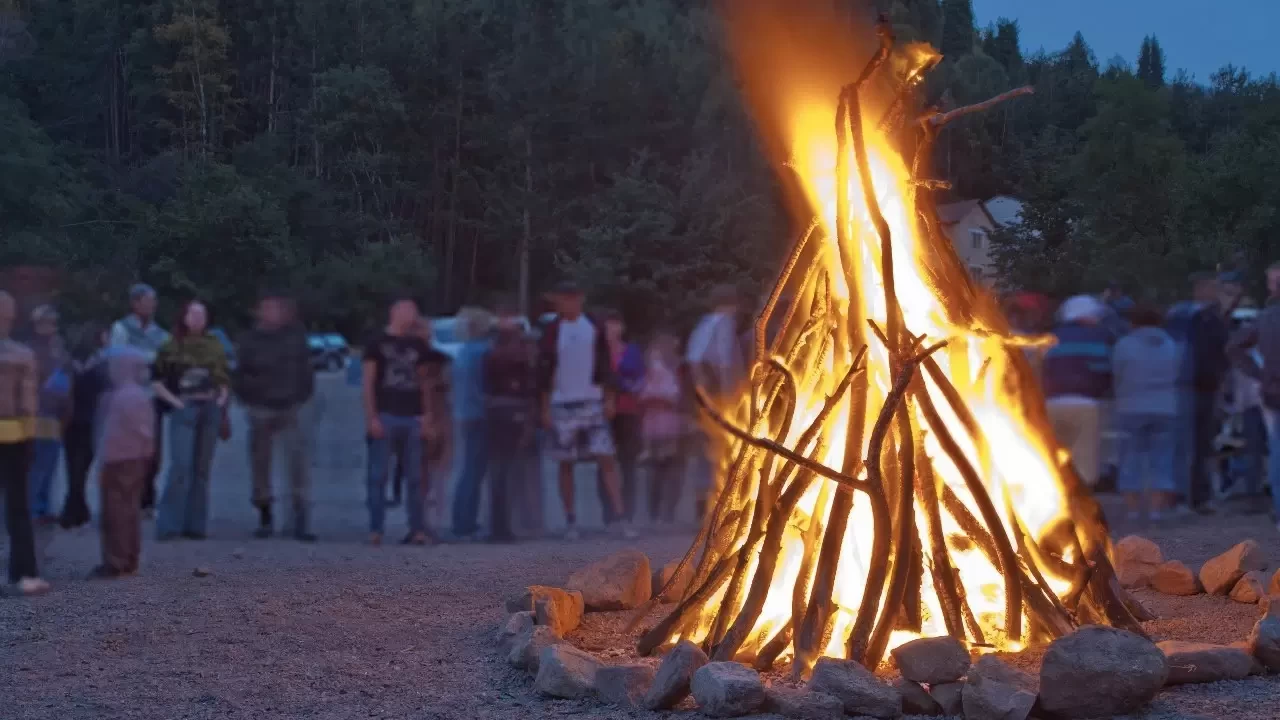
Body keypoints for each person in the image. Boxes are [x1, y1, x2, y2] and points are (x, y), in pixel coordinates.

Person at [537, 282, 633, 540]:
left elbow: (605, 365)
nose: (566, 304)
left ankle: (620, 518)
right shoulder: (552, 331)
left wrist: (609, 399)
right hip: (562, 402)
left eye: (571, 299)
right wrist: (544, 408)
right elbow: (543, 371)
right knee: (566, 462)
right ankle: (571, 521)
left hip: (592, 400)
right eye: (562, 299)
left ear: (580, 299)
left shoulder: (593, 327)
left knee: (606, 459)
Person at [363, 297, 446, 546]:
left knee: (414, 476)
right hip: (386, 414)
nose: (412, 314)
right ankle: (376, 528)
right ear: (394, 311)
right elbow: (368, 383)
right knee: (378, 474)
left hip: (413, 417)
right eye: (408, 309)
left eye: (415, 310)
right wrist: (372, 417)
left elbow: (425, 383)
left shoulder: (418, 345)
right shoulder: (376, 343)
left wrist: (428, 416)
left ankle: (417, 528)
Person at [234, 292, 316, 541]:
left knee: (297, 462)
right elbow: (240, 373)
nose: (272, 313)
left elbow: (306, 368)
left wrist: (302, 395)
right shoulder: (249, 340)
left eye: (276, 308)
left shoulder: (295, 336)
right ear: (258, 312)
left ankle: (300, 517)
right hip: (261, 407)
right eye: (267, 309)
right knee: (260, 462)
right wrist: (249, 397)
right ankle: (265, 514)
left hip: (291, 405)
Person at [152, 299, 231, 540]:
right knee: (180, 465)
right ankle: (169, 525)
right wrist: (175, 402)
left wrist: (221, 399)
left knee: (202, 469)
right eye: (193, 314)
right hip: (184, 406)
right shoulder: (171, 345)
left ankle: (195, 525)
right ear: (184, 317)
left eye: (202, 315)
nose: (197, 319)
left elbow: (223, 377)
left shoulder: (214, 345)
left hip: (209, 407)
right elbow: (156, 380)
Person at [1166, 272, 1231, 513]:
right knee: (1188, 444)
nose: (1215, 293)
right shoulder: (1188, 318)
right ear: (1200, 289)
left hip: (1204, 388)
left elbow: (1223, 353)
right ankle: (1184, 497)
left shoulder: (1209, 319)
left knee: (1201, 444)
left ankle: (1197, 497)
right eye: (1212, 288)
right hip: (1188, 388)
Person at [0, 292, 50, 595]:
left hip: (15, 436)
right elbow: (28, 402)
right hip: (15, 438)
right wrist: (30, 437)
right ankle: (24, 574)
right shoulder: (21, 355)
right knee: (18, 509)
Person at [1112, 305, 1180, 523]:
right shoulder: (1171, 345)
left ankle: (1133, 511)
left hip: (1131, 406)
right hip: (1165, 407)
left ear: (1134, 322)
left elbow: (1117, 374)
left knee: (1130, 458)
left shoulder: (1125, 344)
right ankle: (1156, 511)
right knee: (1162, 459)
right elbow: (1177, 374)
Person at [91, 348, 156, 578]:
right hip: (136, 460)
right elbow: (147, 434)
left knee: (114, 512)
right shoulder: (140, 395)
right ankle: (130, 559)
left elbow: (133, 431)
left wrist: (103, 460)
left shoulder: (123, 397)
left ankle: (115, 561)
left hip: (118, 461)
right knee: (130, 510)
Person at [1227, 261, 1280, 529]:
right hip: (1268, 391)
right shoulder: (1265, 317)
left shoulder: (1267, 318)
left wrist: (1259, 374)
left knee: (1275, 451)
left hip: (1272, 391)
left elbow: (1234, 346)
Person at [686, 284, 746, 518]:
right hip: (718, 397)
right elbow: (703, 362)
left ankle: (713, 505)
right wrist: (710, 397)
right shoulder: (719, 323)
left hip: (719, 396)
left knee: (716, 450)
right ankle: (708, 508)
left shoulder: (712, 324)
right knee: (715, 450)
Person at [1042, 295, 1114, 488]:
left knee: (1052, 456)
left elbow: (1039, 369)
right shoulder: (1098, 337)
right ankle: (1080, 506)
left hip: (1051, 404)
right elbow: (1104, 371)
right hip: (1086, 404)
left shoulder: (1051, 337)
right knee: (1084, 459)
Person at [110, 283, 170, 511]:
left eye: (153, 301)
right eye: (146, 301)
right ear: (134, 303)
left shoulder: (161, 334)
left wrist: (142, 360)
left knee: (153, 452)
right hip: (129, 400)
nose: (151, 306)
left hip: (153, 399)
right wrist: (148, 360)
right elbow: (119, 362)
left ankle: (147, 497)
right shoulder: (121, 329)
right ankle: (129, 496)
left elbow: (165, 366)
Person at [483, 300, 538, 542]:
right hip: (510, 412)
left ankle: (501, 526)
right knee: (507, 471)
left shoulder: (492, 349)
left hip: (498, 412)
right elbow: (529, 387)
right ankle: (503, 527)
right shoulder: (516, 353)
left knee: (501, 472)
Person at [60, 323, 111, 529]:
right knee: (82, 467)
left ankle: (75, 510)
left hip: (70, 419)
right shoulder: (100, 363)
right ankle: (74, 511)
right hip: (88, 419)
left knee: (73, 467)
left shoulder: (68, 362)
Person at [450, 306, 494, 540]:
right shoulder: (482, 352)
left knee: (469, 468)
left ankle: (463, 519)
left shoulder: (464, 351)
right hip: (479, 416)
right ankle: (464, 521)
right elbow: (484, 388)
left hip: (465, 414)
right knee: (473, 470)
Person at [27, 304, 71, 524]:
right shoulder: (31, 349)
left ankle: (43, 507)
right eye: (47, 322)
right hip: (39, 411)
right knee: (38, 463)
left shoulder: (58, 346)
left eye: (54, 322)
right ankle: (33, 509)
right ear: (37, 325)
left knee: (51, 461)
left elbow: (66, 368)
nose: (51, 327)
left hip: (56, 411)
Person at [602, 310, 644, 524]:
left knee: (628, 462)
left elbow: (640, 379)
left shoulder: (632, 351)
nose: (612, 328)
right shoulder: (598, 352)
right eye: (608, 324)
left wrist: (621, 385)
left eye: (615, 324)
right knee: (605, 461)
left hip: (628, 411)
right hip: (603, 412)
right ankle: (608, 513)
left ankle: (629, 512)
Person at [640, 330, 686, 524]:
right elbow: (645, 394)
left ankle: (667, 513)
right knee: (656, 469)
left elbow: (678, 396)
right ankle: (655, 514)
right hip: (655, 425)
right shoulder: (652, 367)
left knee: (671, 468)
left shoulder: (677, 367)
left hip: (672, 425)